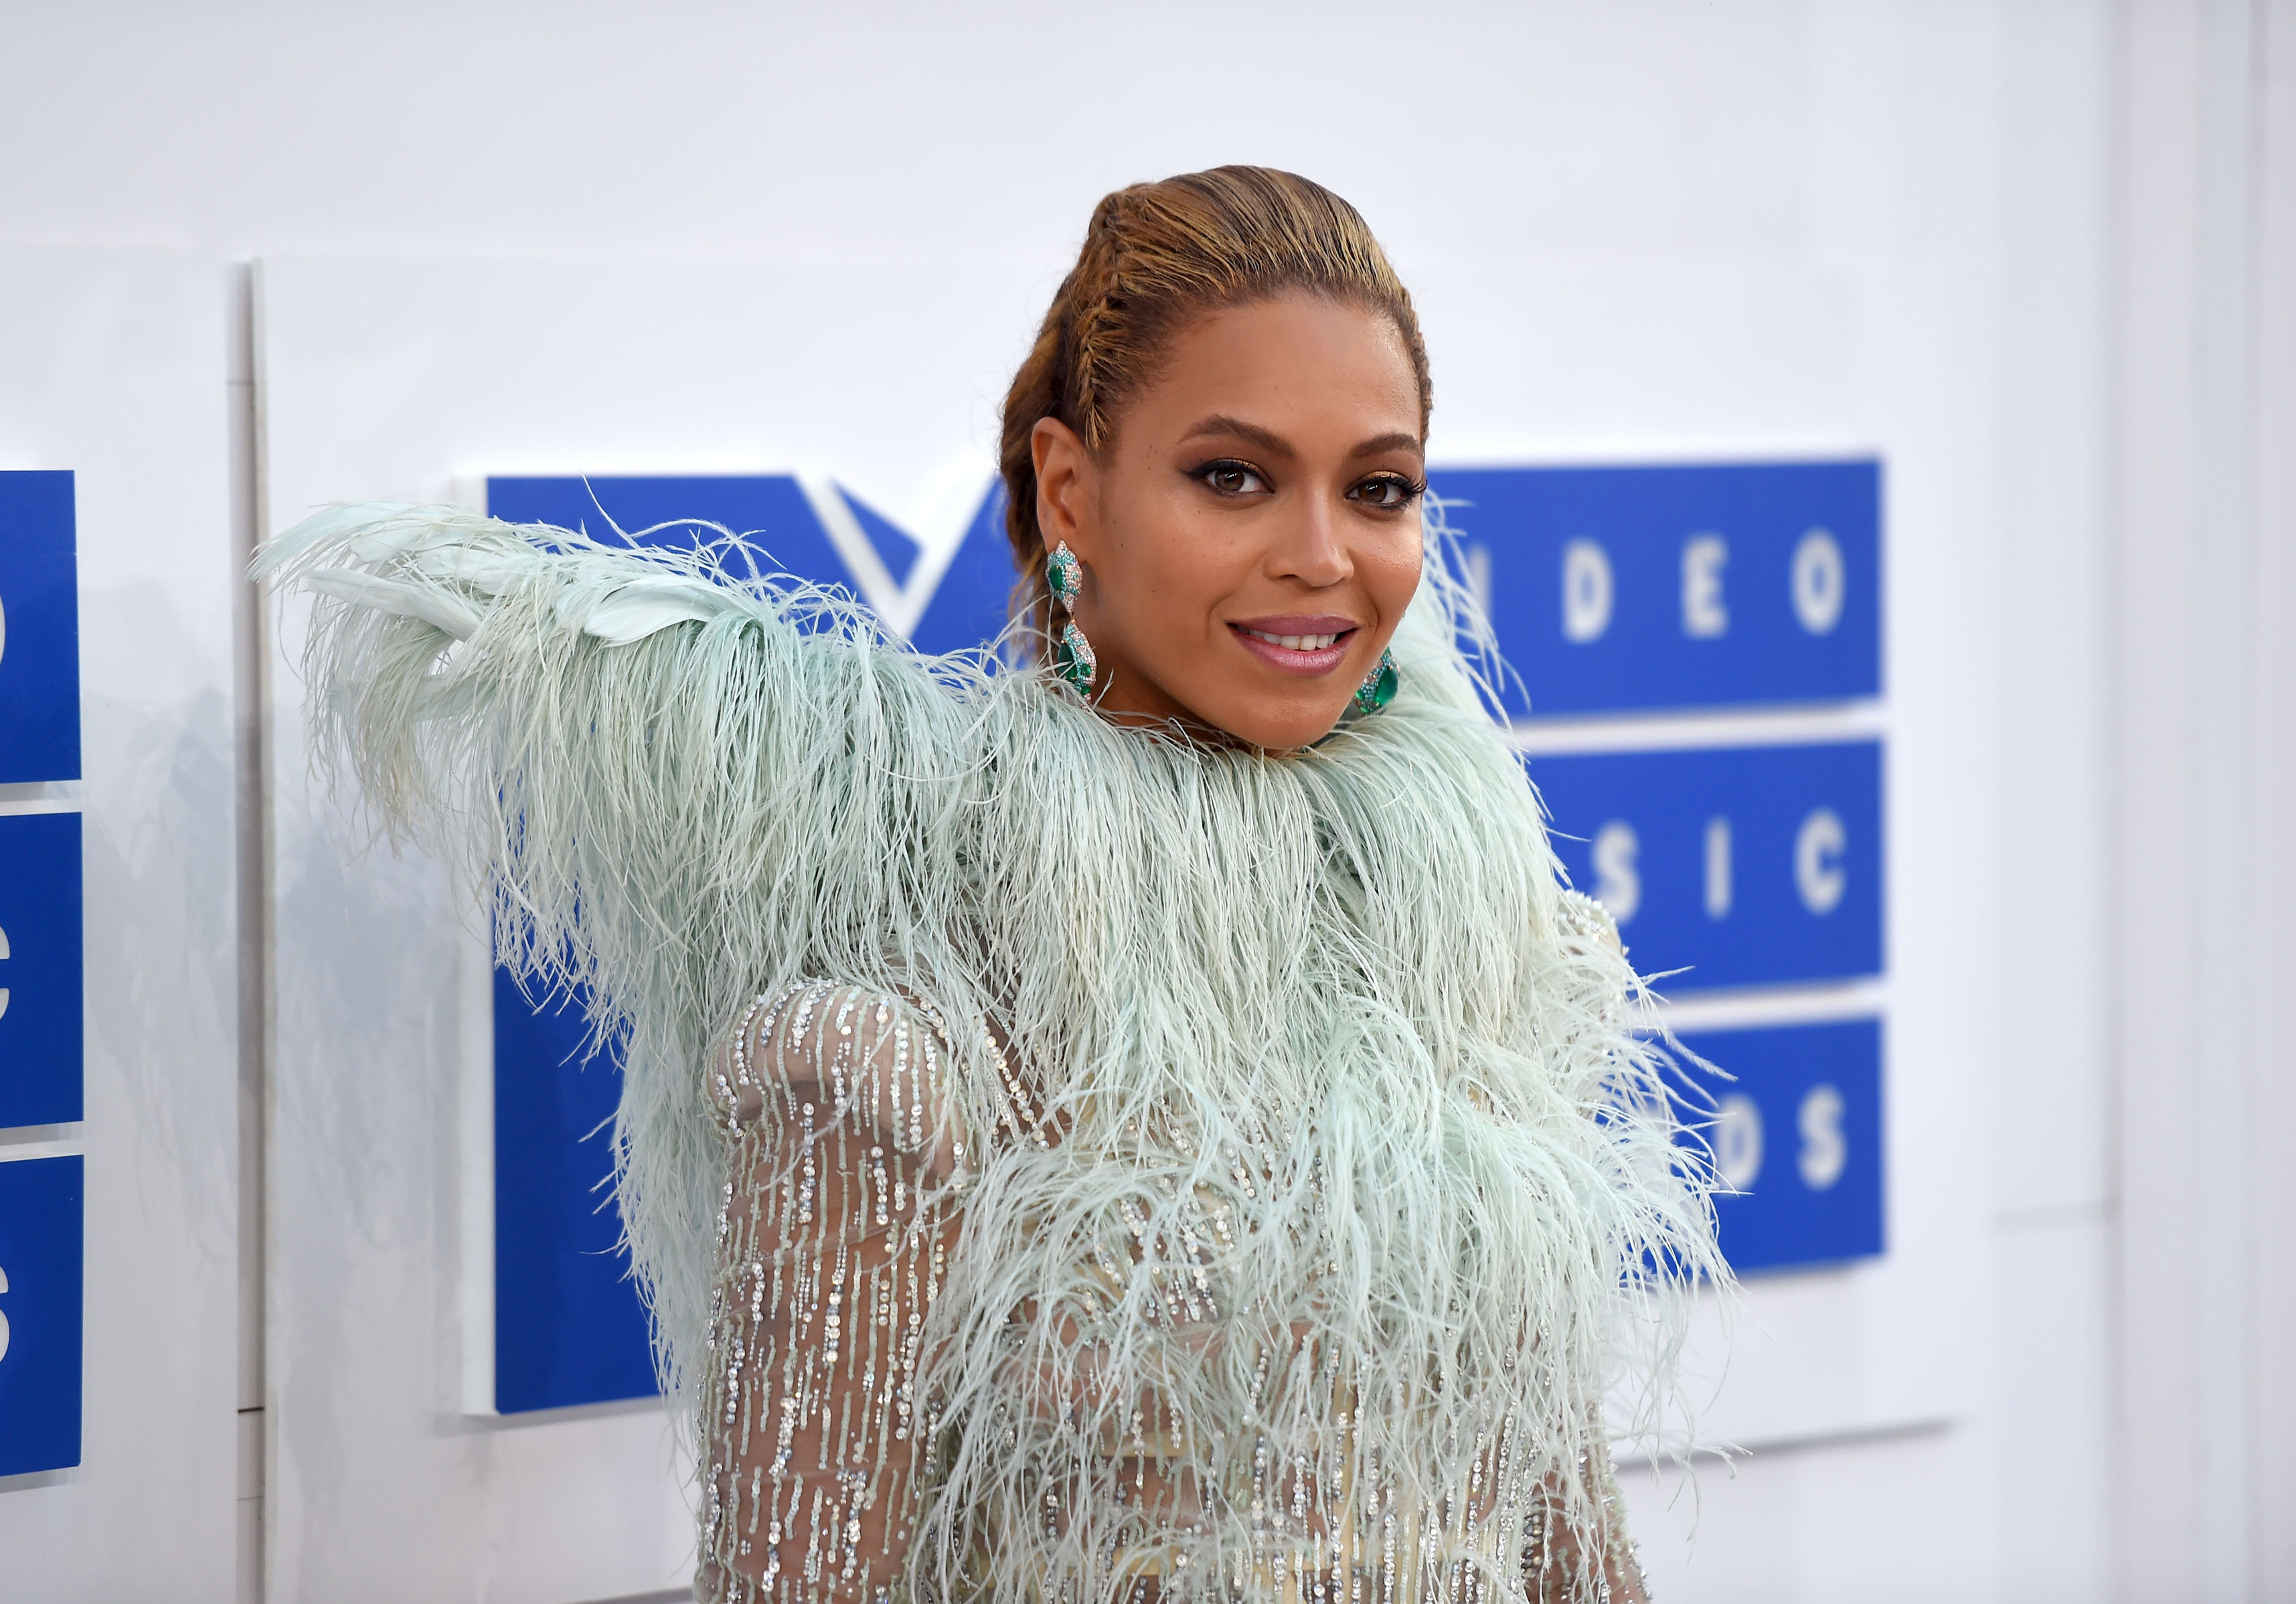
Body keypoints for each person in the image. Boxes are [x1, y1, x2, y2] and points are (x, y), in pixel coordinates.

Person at [260, 165, 1722, 1603]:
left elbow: (1564, 1545)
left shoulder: (1480, 963)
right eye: (1234, 476)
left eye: (1381, 487)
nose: (1324, 556)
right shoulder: (896, 1048)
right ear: (1071, 488)